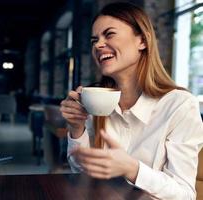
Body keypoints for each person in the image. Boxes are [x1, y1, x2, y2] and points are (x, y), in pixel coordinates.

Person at [60, 2, 203, 200]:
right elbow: (82, 172)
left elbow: (185, 194)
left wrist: (132, 168)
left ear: (142, 41)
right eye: (94, 40)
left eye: (109, 34)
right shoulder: (97, 99)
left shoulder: (180, 105)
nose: (98, 45)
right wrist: (77, 129)